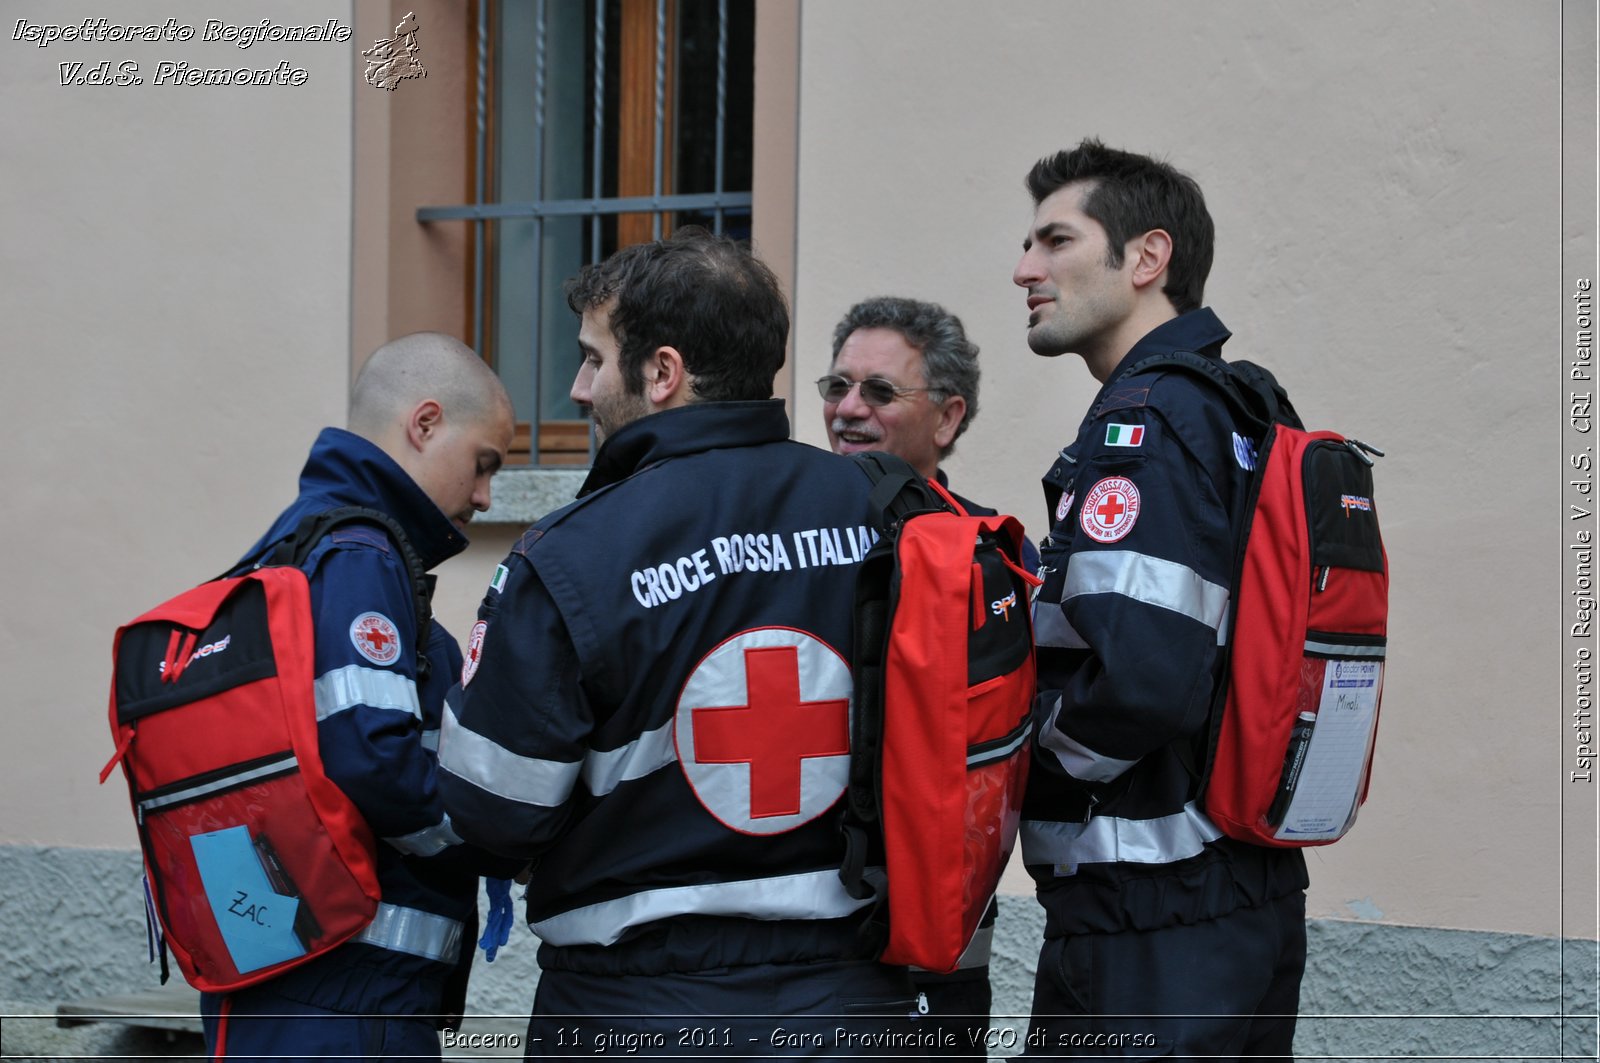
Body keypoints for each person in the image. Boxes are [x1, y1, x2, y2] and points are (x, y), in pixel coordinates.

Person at [438, 229, 928, 1057]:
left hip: (636, 1008)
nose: (579, 388)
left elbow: (494, 807)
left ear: (663, 373)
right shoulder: (898, 518)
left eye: (594, 360)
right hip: (857, 1003)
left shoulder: (570, 555)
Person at [1011, 140, 1309, 1060]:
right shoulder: (1241, 406)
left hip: (1151, 915)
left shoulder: (1145, 421)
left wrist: (1031, 773)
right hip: (1236, 893)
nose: (1025, 269)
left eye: (1055, 241)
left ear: (1146, 259)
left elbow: (1144, 676)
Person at [200, 332, 521, 1062]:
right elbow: (373, 763)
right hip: (347, 1003)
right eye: (484, 464)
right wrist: (501, 838)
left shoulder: (295, 543)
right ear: (426, 423)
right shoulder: (359, 557)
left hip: (287, 979)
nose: (484, 495)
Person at [819, 294, 1038, 1057]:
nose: (848, 408)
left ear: (946, 419)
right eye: (836, 387)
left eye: (878, 391)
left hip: (945, 947)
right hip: (813, 947)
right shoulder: (779, 536)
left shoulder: (997, 559)